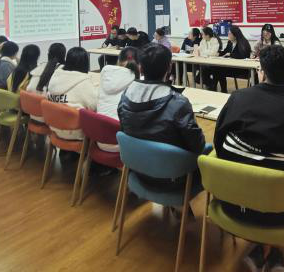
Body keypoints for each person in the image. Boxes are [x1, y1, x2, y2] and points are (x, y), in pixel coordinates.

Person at [214, 44, 284, 271]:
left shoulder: (238, 97)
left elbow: (219, 139)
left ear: (262, 72)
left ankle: (262, 251)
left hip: (228, 201)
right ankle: (270, 252)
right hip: (277, 211)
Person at [118, 44, 206, 188]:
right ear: (169, 68)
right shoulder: (178, 102)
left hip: (135, 170)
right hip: (173, 177)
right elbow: (198, 145)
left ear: (140, 68)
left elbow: (124, 129)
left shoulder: (125, 96)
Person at [46, 47, 98, 141]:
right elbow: (94, 106)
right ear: (85, 63)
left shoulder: (55, 76)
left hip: (54, 127)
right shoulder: (84, 83)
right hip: (75, 133)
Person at [96, 47, 140, 152]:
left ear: (118, 60)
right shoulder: (138, 81)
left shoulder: (105, 71)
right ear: (139, 64)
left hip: (99, 138)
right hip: (122, 143)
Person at [211, 25, 252, 93]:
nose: (228, 35)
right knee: (216, 68)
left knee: (218, 69)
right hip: (231, 66)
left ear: (235, 35)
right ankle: (217, 89)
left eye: (230, 33)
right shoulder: (230, 42)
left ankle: (219, 89)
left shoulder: (243, 42)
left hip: (240, 68)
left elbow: (243, 56)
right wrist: (218, 53)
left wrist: (230, 54)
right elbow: (225, 52)